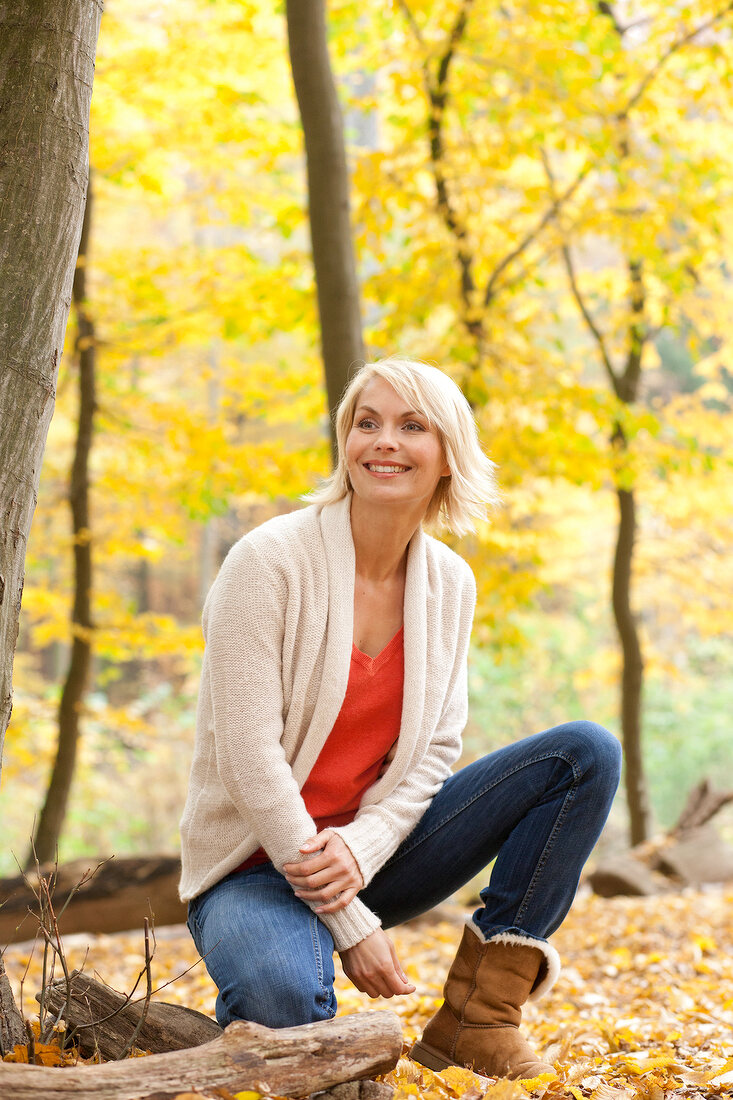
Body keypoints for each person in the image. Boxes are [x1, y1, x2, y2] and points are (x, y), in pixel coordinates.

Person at [179, 356, 621, 1080]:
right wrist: (350, 924)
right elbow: (247, 756)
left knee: (584, 753)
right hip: (252, 871)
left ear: (447, 455)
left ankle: (479, 1019)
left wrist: (364, 845)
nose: (383, 441)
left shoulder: (450, 582)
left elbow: (435, 747)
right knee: (286, 1004)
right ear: (344, 441)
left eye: (411, 426)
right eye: (366, 423)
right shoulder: (266, 562)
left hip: (377, 852)